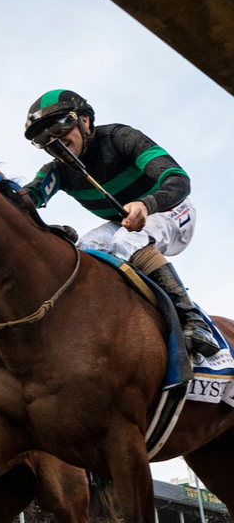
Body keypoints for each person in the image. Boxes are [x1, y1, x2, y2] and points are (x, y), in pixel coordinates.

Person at [23, 89, 218, 357]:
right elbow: (24, 199)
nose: (54, 139)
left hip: (173, 208)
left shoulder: (119, 138)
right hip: (123, 222)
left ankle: (192, 319)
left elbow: (178, 180)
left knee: (127, 240)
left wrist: (146, 204)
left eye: (60, 125)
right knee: (87, 249)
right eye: (42, 137)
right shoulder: (56, 171)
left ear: (85, 121)